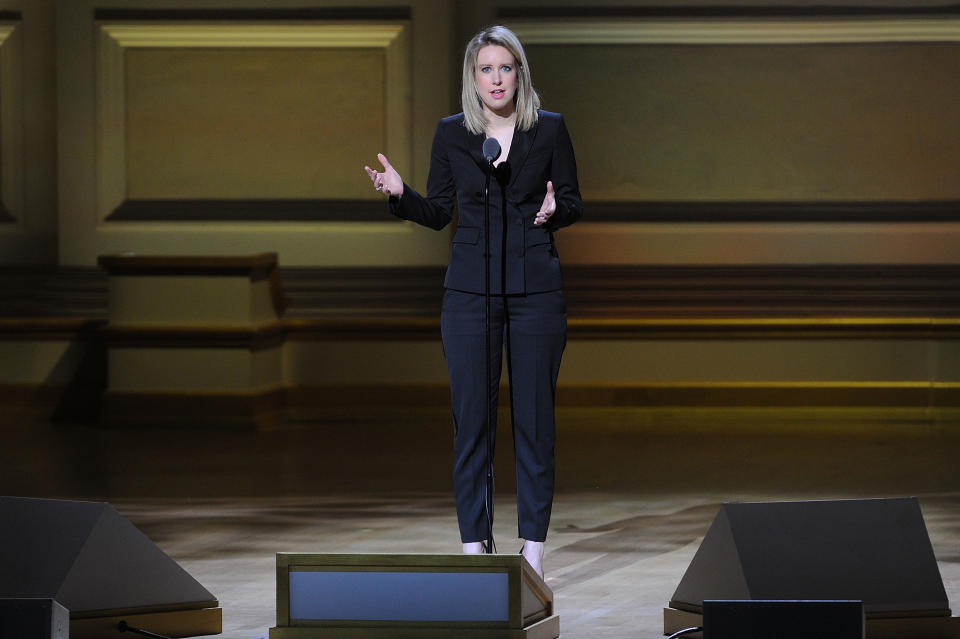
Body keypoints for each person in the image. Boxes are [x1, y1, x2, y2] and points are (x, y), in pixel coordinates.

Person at [364, 25, 582, 579]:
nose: (496, 79)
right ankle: (473, 547)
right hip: (469, 294)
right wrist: (401, 195)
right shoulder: (453, 135)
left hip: (536, 293)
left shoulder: (549, 130)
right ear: (473, 78)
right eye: (486, 69)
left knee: (535, 423)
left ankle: (533, 547)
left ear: (520, 74)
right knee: (472, 422)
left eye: (505, 68)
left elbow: (573, 201)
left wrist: (556, 211)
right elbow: (439, 212)